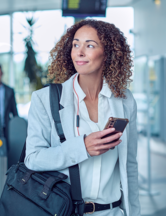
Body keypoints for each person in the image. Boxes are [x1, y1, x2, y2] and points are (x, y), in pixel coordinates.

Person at [25, 19, 140, 216]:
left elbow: (129, 165)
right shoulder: (44, 99)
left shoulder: (125, 100)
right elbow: (33, 159)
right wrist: (82, 147)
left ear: (108, 53)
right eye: (76, 44)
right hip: (64, 211)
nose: (79, 52)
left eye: (90, 45)